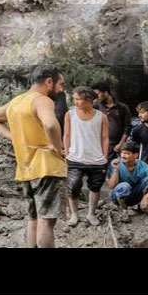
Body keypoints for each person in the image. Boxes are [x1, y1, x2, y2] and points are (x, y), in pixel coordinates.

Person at [0, 67, 66, 248]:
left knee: (34, 219)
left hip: (25, 168)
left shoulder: (16, 102)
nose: (61, 89)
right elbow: (51, 125)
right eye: (60, 84)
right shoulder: (42, 100)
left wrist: (15, 137)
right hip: (46, 167)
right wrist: (57, 147)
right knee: (46, 221)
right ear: (49, 82)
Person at [62, 87, 109, 227]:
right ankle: (74, 214)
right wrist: (67, 152)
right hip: (75, 157)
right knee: (73, 186)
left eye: (78, 99)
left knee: (95, 187)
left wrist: (105, 156)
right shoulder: (70, 114)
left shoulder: (101, 116)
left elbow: (105, 137)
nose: (74, 102)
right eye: (74, 99)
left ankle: (91, 214)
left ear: (88, 100)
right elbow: (67, 134)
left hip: (97, 159)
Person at [104, 143, 148, 215]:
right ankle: (123, 210)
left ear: (135, 155)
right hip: (117, 197)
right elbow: (111, 186)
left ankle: (141, 207)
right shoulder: (116, 163)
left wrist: (146, 197)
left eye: (127, 153)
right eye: (122, 153)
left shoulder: (141, 165)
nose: (123, 156)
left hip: (134, 196)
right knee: (125, 186)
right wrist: (116, 170)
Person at [94, 81, 129, 158]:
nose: (97, 96)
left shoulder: (122, 108)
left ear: (106, 92)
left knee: (117, 168)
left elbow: (127, 127)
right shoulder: (96, 106)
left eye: (98, 94)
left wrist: (121, 144)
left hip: (117, 147)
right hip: (101, 146)